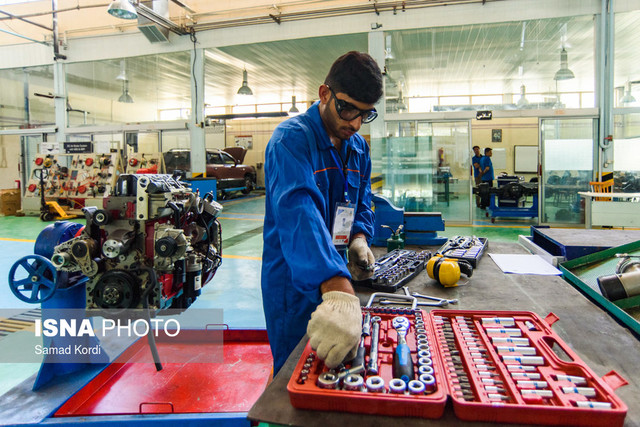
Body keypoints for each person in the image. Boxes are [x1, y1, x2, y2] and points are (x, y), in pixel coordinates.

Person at [261, 51, 383, 376]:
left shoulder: (357, 147)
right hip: (294, 285)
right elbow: (300, 215)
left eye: (365, 115)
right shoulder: (290, 141)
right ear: (324, 94)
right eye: (347, 108)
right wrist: (338, 289)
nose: (354, 123)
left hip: (335, 270)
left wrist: (358, 238)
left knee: (337, 374)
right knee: (292, 376)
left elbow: (362, 199)